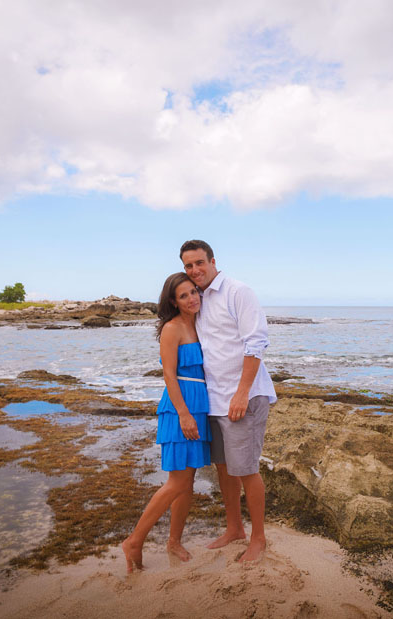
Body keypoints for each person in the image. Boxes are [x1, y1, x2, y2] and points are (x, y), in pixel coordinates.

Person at [179, 239, 277, 564]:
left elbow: (256, 342)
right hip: (214, 399)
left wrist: (242, 392)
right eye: (188, 265)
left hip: (243, 397)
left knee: (246, 469)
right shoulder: (196, 298)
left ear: (212, 261)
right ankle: (234, 528)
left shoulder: (238, 291)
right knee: (224, 468)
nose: (195, 270)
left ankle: (259, 538)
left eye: (199, 263)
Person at [121, 272, 211, 573]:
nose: (192, 298)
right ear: (173, 302)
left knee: (188, 481)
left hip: (200, 405)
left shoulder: (199, 323)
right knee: (177, 482)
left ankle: (173, 541)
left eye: (193, 291)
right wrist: (184, 413)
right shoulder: (172, 329)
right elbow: (169, 375)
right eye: (184, 295)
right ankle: (134, 541)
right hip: (180, 407)